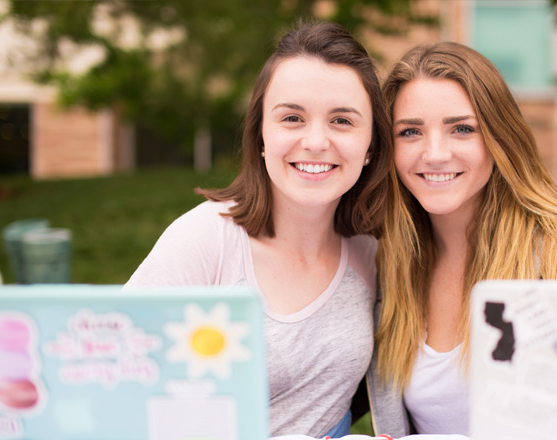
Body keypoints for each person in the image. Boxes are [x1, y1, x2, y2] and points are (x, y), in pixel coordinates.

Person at [125, 20, 391, 438]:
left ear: (371, 144)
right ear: (262, 135)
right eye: (292, 118)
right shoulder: (205, 239)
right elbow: (116, 380)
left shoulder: (372, 252)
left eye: (342, 121)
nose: (316, 141)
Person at [367, 42, 557, 437]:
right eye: (410, 131)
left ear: (498, 137)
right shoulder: (389, 263)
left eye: (462, 129)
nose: (434, 153)